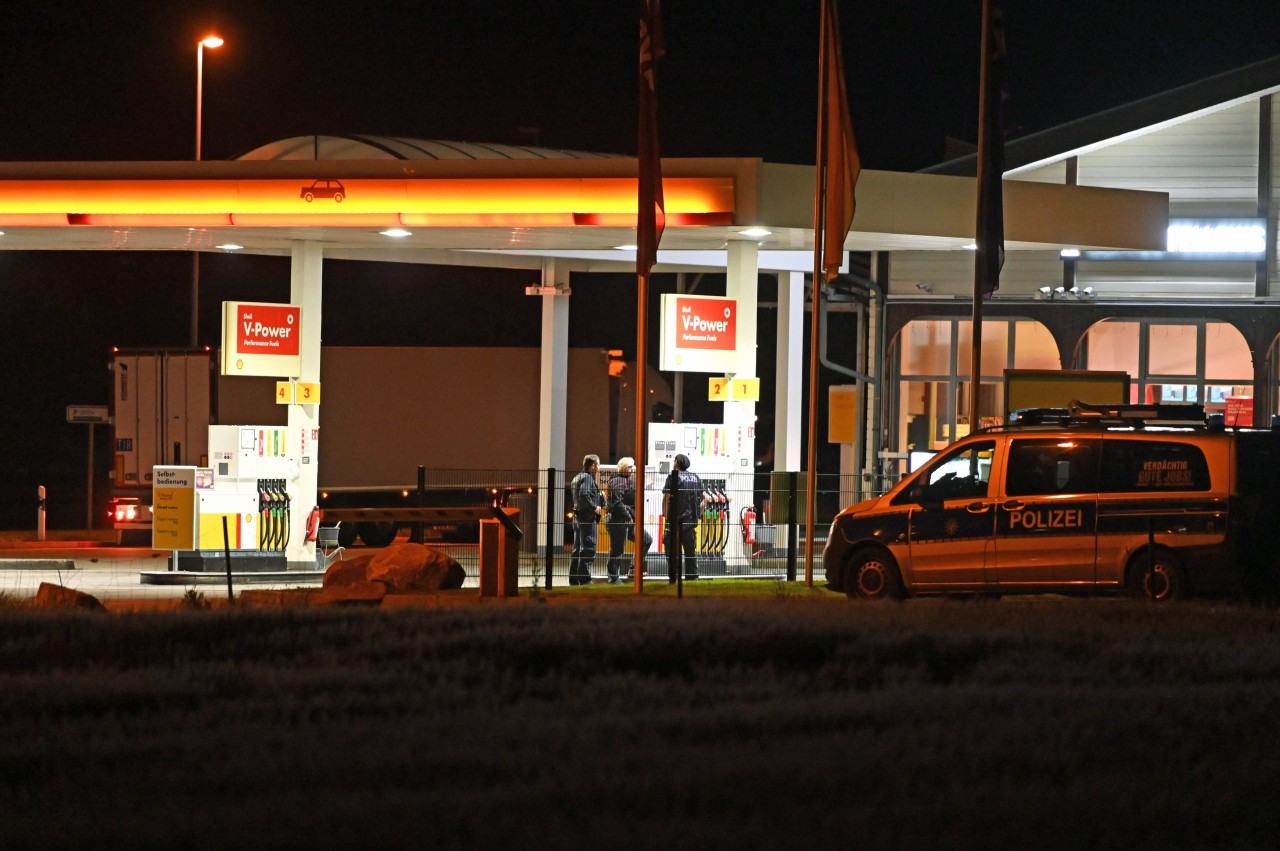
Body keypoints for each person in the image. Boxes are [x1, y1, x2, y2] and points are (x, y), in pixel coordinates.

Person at [662, 453, 710, 583]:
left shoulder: (673, 476)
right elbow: (706, 498)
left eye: (674, 461)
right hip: (690, 521)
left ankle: (674, 576)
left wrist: (666, 518)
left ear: (677, 462)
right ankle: (692, 577)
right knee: (690, 551)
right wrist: (697, 513)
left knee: (671, 550)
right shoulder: (695, 477)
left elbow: (666, 499)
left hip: (675, 521)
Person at [606, 456, 653, 584]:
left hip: (628, 521)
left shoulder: (626, 481)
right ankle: (613, 576)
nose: (632, 469)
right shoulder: (619, 482)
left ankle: (633, 568)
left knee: (646, 540)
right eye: (630, 467)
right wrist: (629, 517)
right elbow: (617, 503)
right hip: (619, 520)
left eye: (633, 467)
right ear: (623, 468)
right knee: (617, 549)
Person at [568, 454, 606, 585]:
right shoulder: (588, 478)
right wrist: (594, 507)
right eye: (598, 464)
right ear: (593, 465)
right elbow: (584, 494)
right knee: (588, 548)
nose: (599, 467)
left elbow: (580, 496)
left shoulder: (577, 477)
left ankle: (573, 579)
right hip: (587, 519)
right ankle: (584, 578)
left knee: (577, 549)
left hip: (577, 518)